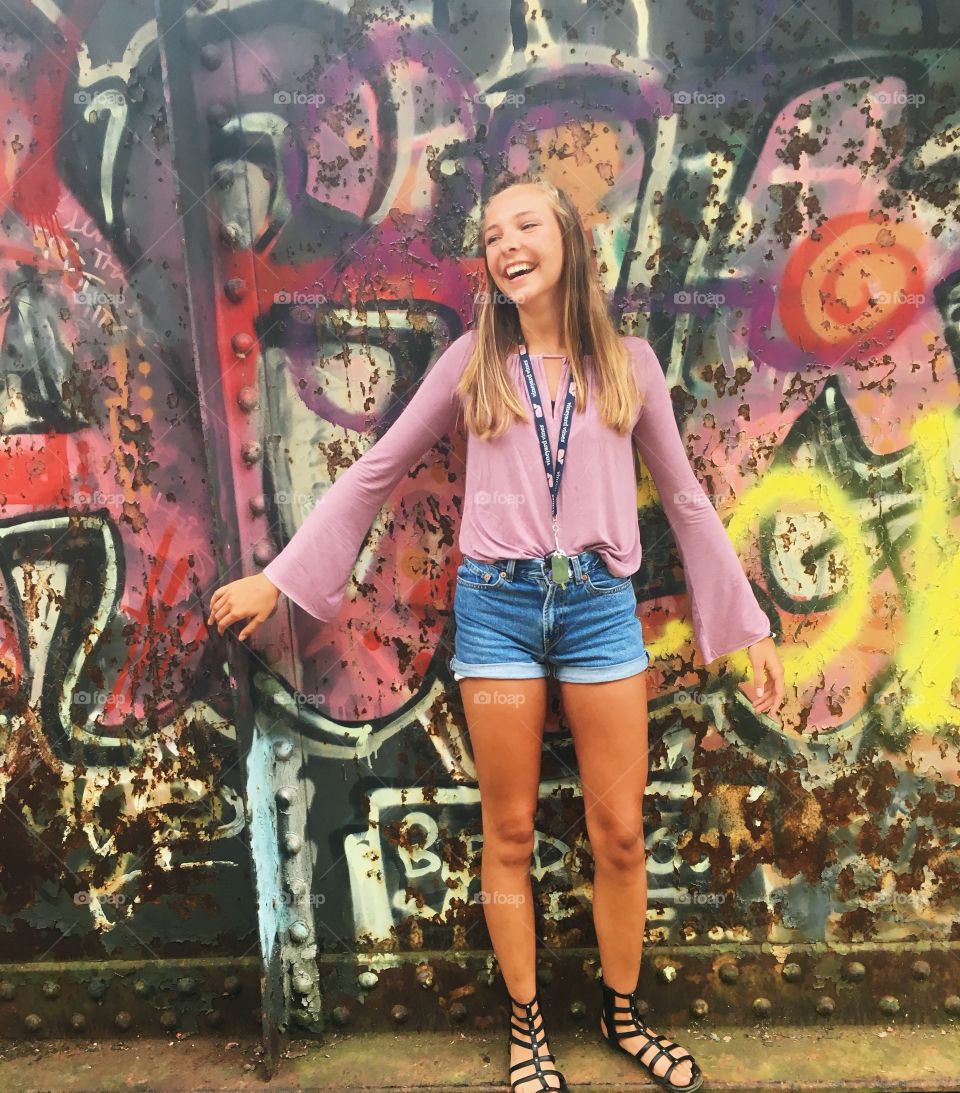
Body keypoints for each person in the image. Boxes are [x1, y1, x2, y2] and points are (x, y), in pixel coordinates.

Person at [208, 175, 785, 1093]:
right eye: (491, 234)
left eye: (526, 224)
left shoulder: (629, 364)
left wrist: (742, 618)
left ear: (568, 237)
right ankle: (527, 1029)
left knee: (621, 831)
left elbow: (682, 496)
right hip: (499, 609)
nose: (507, 243)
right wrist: (276, 580)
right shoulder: (475, 360)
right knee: (509, 830)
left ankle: (623, 1014)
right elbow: (376, 470)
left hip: (599, 607)